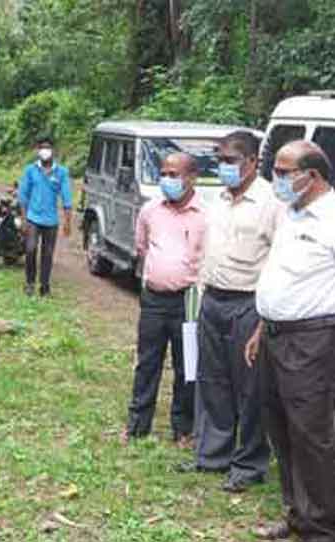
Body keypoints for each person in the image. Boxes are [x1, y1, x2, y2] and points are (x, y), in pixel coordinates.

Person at [177, 131, 282, 493]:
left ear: (252, 162)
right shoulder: (217, 199)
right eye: (219, 160)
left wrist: (266, 316)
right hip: (213, 299)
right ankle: (212, 455)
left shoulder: (270, 202)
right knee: (212, 380)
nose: (223, 167)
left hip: (248, 303)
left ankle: (249, 463)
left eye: (230, 161)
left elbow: (280, 259)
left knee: (251, 387)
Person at [245, 141, 335, 541]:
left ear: (311, 175)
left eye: (282, 172)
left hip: (313, 340)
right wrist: (262, 327)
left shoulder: (331, 218)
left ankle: (321, 527)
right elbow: (282, 276)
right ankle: (298, 512)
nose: (274, 179)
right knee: (279, 426)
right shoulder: (290, 213)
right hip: (274, 335)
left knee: (311, 433)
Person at [122, 153, 204, 447]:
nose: (167, 179)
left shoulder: (206, 214)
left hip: (188, 301)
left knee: (187, 366)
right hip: (154, 298)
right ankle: (137, 425)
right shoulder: (150, 210)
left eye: (174, 174)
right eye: (164, 173)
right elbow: (142, 247)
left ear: (191, 178)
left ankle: (183, 428)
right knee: (147, 362)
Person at [18, 135, 72, 297]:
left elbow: (67, 197)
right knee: (30, 249)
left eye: (48, 148)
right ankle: (29, 283)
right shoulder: (30, 170)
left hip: (51, 221)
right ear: (37, 151)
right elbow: (23, 195)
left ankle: (45, 286)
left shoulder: (61, 172)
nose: (45, 151)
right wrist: (24, 218)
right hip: (33, 218)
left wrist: (68, 221)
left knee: (47, 254)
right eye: (42, 148)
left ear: (53, 151)